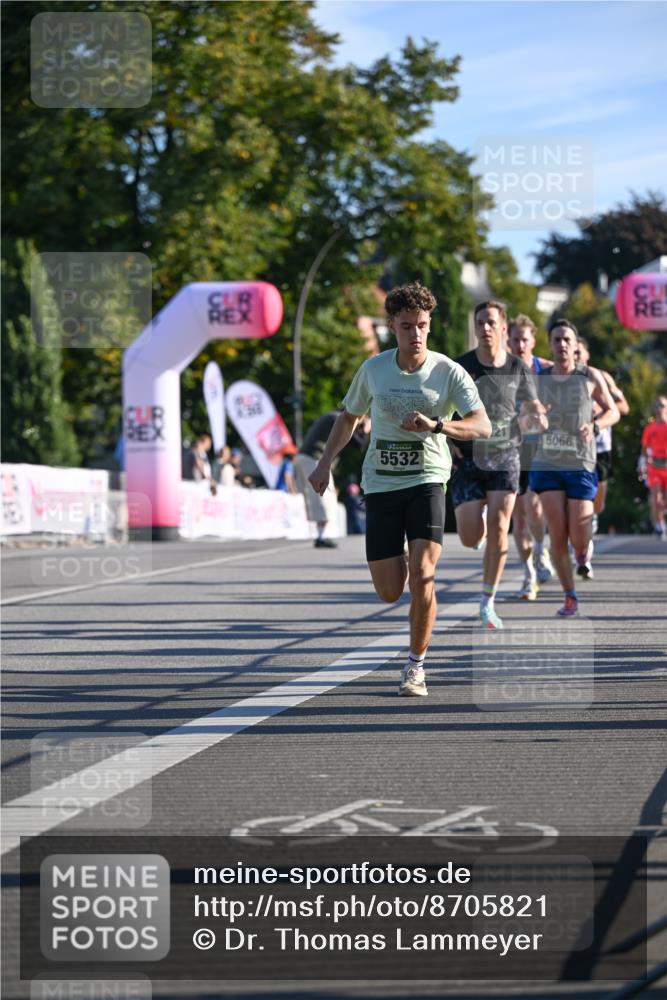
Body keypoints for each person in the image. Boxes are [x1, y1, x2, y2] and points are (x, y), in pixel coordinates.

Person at [308, 281, 491, 697]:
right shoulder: (374, 369)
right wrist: (324, 464)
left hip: (427, 479)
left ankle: (415, 666)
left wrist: (439, 425)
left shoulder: (448, 372)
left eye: (423, 325)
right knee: (390, 591)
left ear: (430, 324)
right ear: (393, 326)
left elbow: (482, 425)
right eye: (407, 326)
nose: (417, 334)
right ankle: (407, 556)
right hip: (382, 484)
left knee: (424, 576)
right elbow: (349, 417)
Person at [451, 301, 546, 629]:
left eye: (491, 322)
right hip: (468, 456)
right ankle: (476, 530)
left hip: (506, 454)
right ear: (475, 327)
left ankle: (487, 600)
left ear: (503, 327)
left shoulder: (518, 367)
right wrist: (449, 441)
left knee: (500, 526)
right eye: (480, 322)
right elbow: (444, 410)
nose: (485, 328)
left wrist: (539, 418)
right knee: (467, 536)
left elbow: (533, 406)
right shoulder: (461, 366)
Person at [530, 319, 619, 616]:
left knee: (579, 532)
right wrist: (537, 416)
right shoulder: (538, 378)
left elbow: (613, 411)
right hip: (548, 462)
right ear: (550, 344)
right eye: (556, 340)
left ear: (575, 344)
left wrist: (594, 425)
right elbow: (525, 415)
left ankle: (582, 552)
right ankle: (570, 597)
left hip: (580, 462)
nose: (562, 345)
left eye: (567, 340)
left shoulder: (590, 376)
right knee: (557, 534)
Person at [507, 314, 555, 600]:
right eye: (515, 339)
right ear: (508, 341)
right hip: (511, 448)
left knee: (534, 509)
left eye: (525, 339)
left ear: (533, 341)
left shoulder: (546, 370)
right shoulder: (500, 371)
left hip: (540, 448)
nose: (520, 344)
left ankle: (540, 548)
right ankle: (528, 575)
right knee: (518, 516)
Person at [574, 336, 629, 534]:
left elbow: (624, 407)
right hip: (575, 448)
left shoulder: (601, 377)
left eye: (579, 352)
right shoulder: (561, 376)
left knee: (598, 499)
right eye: (574, 352)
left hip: (600, 446)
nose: (575, 356)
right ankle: (579, 524)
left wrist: (599, 410)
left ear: (587, 354)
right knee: (576, 493)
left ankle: (592, 515)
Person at [294, 411, 369, 548]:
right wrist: (365, 430)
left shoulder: (332, 417)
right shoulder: (339, 420)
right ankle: (321, 537)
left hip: (305, 457)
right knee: (324, 495)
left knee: (322, 496)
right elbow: (359, 445)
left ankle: (322, 535)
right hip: (313, 458)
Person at [639, 395, 667, 540]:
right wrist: (642, 462)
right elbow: (644, 448)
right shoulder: (650, 428)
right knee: (656, 497)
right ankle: (660, 526)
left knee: (664, 501)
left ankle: (662, 516)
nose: (659, 408)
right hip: (654, 466)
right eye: (657, 405)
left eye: (662, 405)